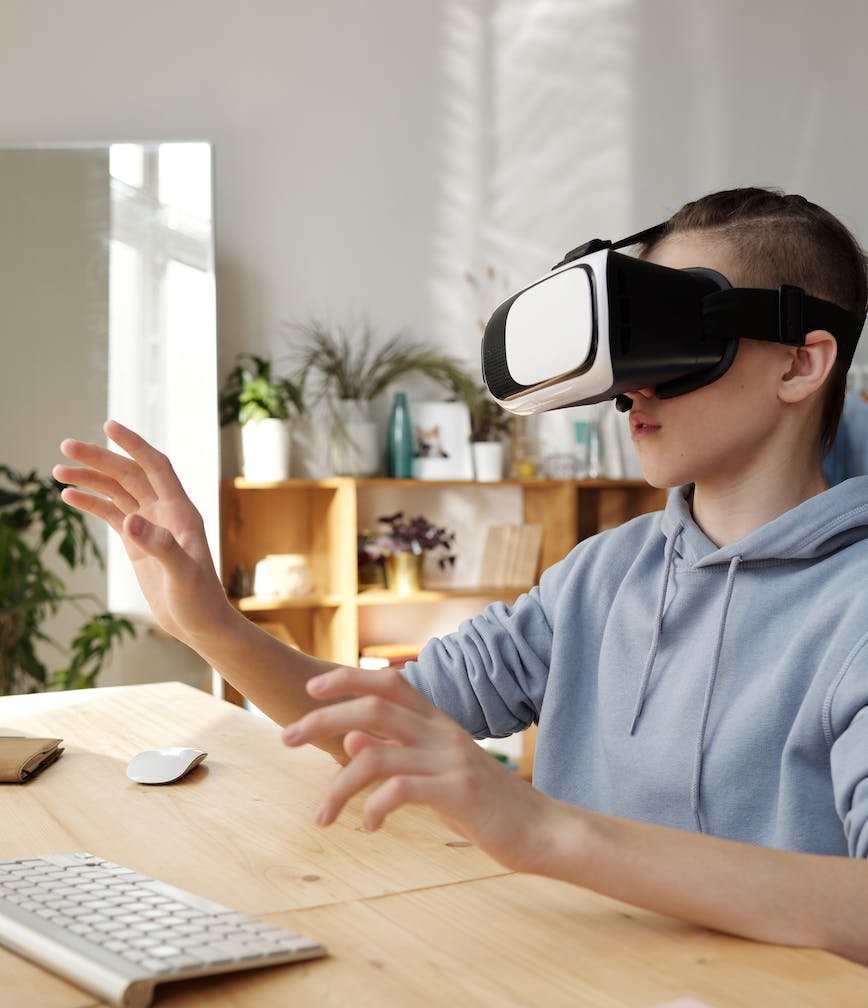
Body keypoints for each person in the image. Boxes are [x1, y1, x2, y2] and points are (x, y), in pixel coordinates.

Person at [56, 187, 868, 963]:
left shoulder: (854, 608)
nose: (635, 384)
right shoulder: (600, 576)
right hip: (573, 986)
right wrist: (210, 622)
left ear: (800, 365)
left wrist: (545, 830)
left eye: (675, 332)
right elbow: (382, 723)